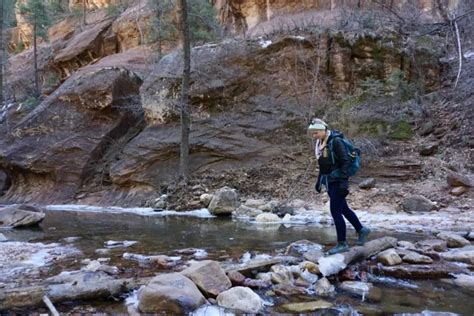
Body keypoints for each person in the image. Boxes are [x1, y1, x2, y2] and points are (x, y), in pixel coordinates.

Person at [308, 118, 370, 254]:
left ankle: (342, 243)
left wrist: (344, 182)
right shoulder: (320, 144)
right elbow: (323, 165)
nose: (314, 135)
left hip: (338, 180)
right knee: (344, 209)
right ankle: (361, 230)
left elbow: (345, 161)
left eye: (316, 132)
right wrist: (319, 181)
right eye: (312, 133)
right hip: (329, 180)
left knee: (335, 211)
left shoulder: (335, 141)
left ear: (323, 130)